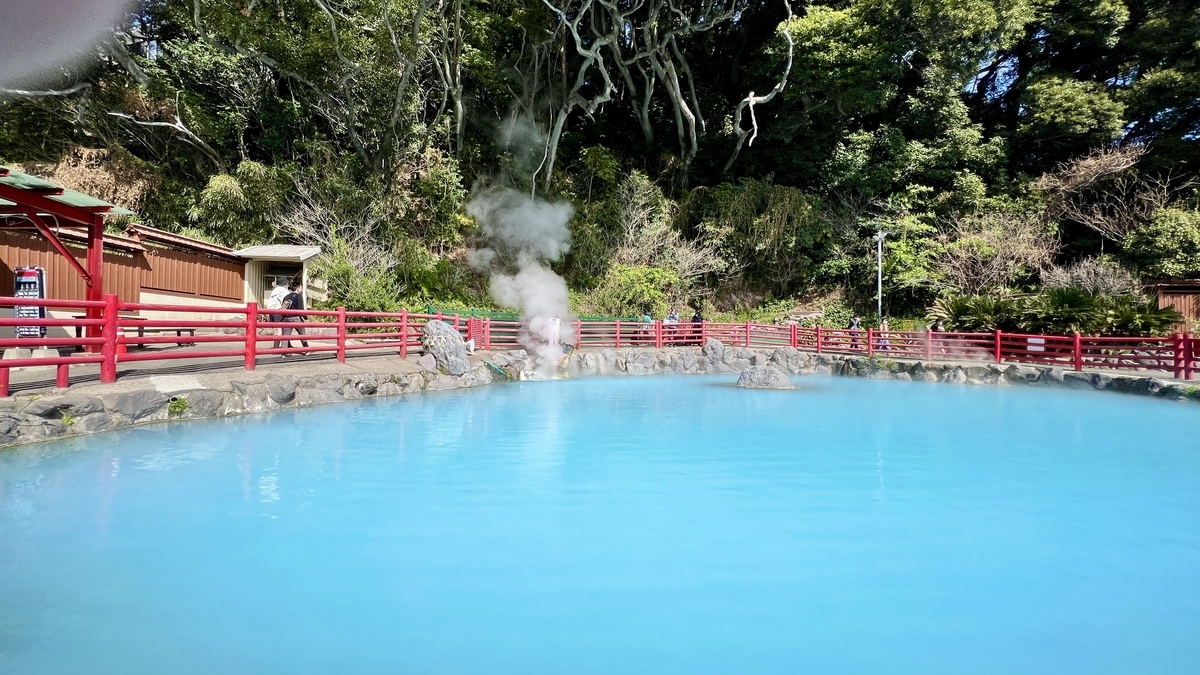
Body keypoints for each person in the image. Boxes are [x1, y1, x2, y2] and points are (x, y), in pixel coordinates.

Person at [280, 281, 309, 354]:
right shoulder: (298, 297)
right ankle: (306, 350)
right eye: (301, 288)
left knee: (285, 337)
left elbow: (283, 308)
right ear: (298, 288)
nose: (301, 289)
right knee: (302, 334)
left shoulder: (286, 297)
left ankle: (284, 352)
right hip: (296, 318)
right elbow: (301, 309)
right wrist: (305, 318)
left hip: (286, 318)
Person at [265, 278, 289, 349]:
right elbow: (286, 301)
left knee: (277, 330)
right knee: (280, 331)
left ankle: (276, 346)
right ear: (286, 284)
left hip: (271, 311)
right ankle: (277, 348)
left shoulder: (275, 290)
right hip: (278, 311)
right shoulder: (284, 291)